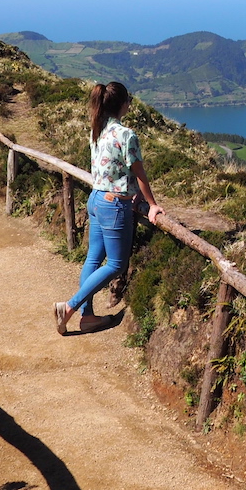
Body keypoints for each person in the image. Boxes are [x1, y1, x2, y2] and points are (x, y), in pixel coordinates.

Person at [55, 81, 163, 334]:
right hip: (114, 206)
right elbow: (139, 173)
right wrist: (153, 205)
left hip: (96, 199)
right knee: (116, 264)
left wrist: (134, 194)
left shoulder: (97, 129)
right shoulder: (126, 135)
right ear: (123, 104)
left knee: (94, 258)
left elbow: (112, 169)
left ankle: (87, 316)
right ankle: (69, 308)